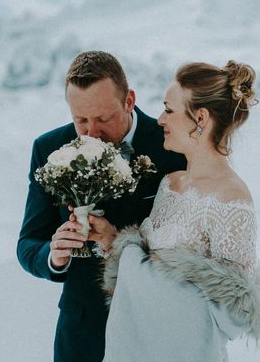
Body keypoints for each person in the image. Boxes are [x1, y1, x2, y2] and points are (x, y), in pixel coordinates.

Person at [94, 60, 260, 361]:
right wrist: (112, 240)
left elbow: (235, 311)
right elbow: (148, 266)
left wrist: (139, 269)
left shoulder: (231, 198)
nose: (160, 119)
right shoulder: (170, 183)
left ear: (200, 118)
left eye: (169, 109)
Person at [17, 51, 186, 362]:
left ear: (129, 100)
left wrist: (119, 241)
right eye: (80, 119)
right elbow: (27, 245)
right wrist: (55, 256)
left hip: (155, 330)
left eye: (103, 118)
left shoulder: (172, 147)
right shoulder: (48, 148)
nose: (91, 133)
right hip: (84, 336)